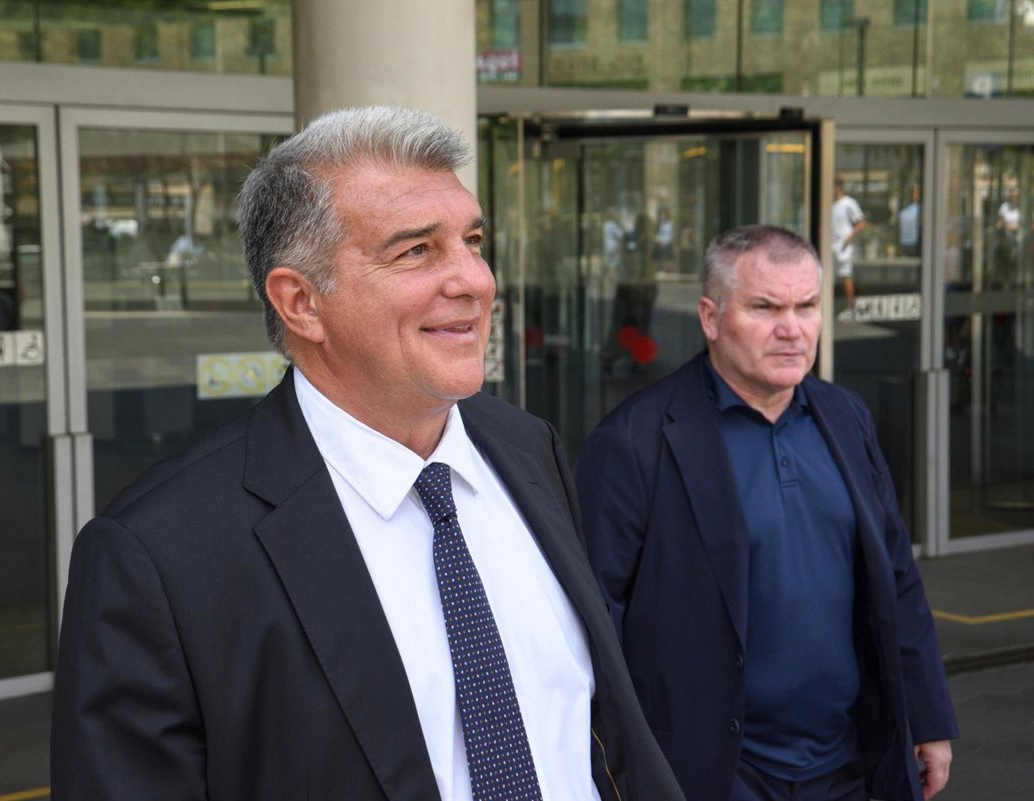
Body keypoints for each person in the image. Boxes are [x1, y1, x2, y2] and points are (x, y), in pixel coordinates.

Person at [51, 106, 682, 801]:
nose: (476, 280)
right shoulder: (160, 553)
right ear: (301, 303)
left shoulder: (527, 447)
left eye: (473, 241)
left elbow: (595, 727)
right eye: (417, 251)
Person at [575, 225, 958, 801]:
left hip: (847, 762)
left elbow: (897, 579)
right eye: (765, 308)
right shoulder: (634, 440)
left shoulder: (845, 416)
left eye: (807, 306)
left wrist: (927, 717)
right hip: (713, 773)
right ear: (710, 318)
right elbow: (592, 626)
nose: (792, 329)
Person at [833, 179, 867, 307]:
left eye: (832, 186)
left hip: (844, 248)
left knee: (846, 276)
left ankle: (850, 307)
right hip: (831, 247)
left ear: (838, 187)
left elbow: (861, 223)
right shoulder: (831, 205)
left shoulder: (848, 203)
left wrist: (847, 239)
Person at [898, 184, 921, 258]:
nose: (915, 195)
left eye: (916, 193)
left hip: (914, 244)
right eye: (913, 193)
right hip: (909, 244)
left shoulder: (919, 210)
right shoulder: (905, 212)